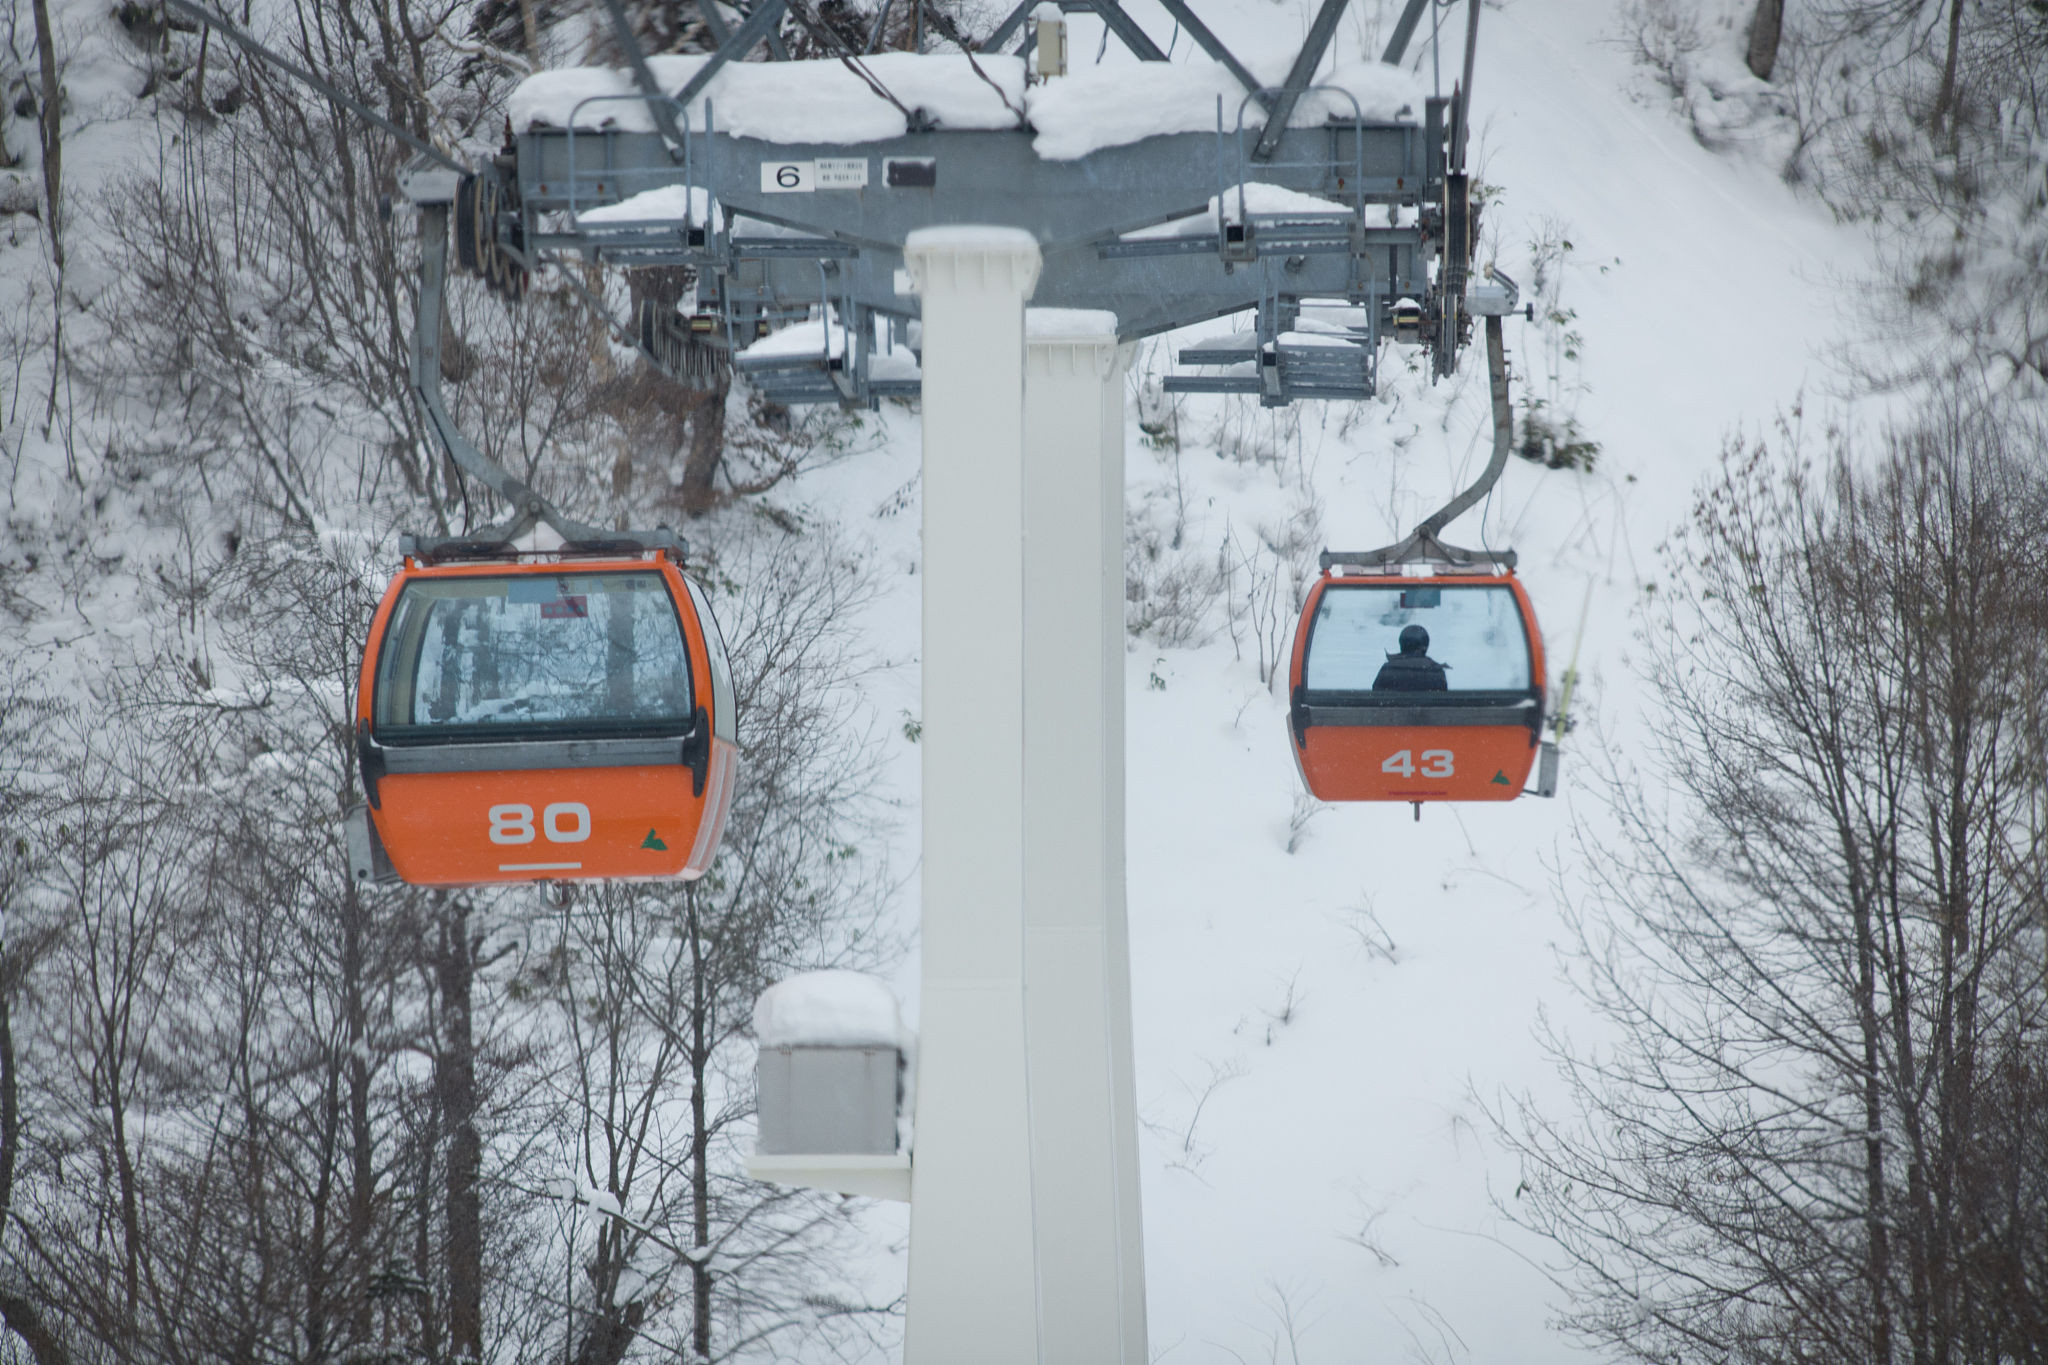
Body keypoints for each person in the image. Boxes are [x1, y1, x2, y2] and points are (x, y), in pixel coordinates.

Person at [1372, 623, 1448, 691]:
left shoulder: (1388, 669)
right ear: (1425, 646)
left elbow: (1375, 697)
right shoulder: (1436, 671)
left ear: (1402, 645)